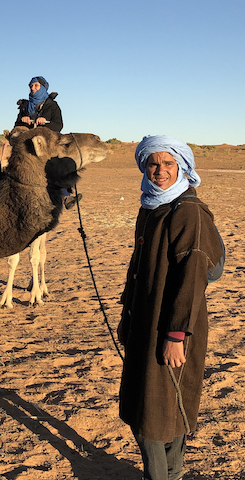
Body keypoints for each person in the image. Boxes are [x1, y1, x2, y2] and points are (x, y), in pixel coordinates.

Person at [117, 135, 224, 480]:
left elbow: (191, 277)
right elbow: (138, 267)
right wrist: (127, 314)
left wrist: (176, 335)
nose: (160, 170)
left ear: (182, 166)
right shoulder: (151, 207)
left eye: (168, 163)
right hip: (144, 319)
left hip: (174, 326)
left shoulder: (188, 211)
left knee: (156, 412)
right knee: (155, 404)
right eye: (153, 163)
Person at [13, 76, 80, 208]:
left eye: (36, 86)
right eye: (31, 86)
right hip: (27, 144)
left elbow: (58, 125)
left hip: (47, 144)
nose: (33, 88)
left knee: (56, 165)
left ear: (43, 88)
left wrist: (45, 124)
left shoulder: (52, 105)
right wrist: (23, 121)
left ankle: (66, 196)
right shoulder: (24, 106)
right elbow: (16, 126)